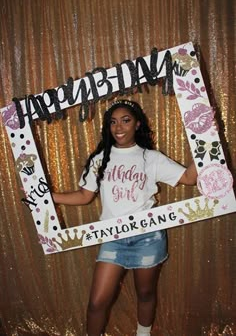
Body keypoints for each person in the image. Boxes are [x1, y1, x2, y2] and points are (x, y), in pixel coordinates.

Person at [53, 99, 197, 336]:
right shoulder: (100, 159)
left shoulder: (151, 158)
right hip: (113, 239)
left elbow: (189, 179)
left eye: (126, 120)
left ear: (137, 124)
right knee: (97, 302)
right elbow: (83, 196)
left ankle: (143, 334)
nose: (119, 127)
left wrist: (204, 140)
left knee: (146, 293)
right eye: (113, 122)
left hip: (148, 238)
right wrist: (49, 197)